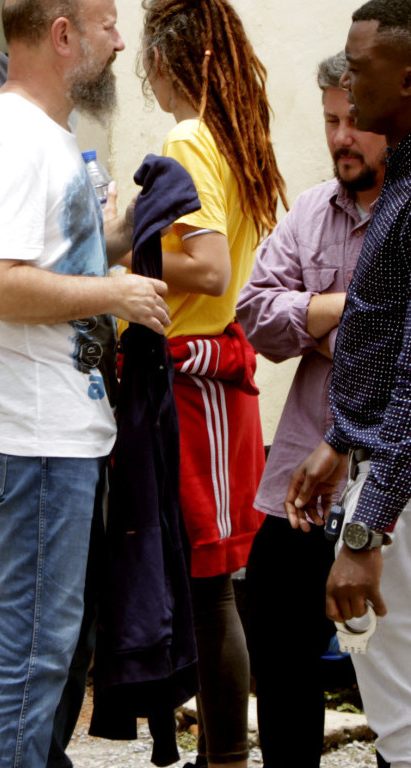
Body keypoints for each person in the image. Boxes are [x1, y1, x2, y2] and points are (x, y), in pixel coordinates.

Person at [0, 1, 169, 766]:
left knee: (51, 656)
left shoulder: (41, 136)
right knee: (30, 657)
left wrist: (124, 233)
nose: (121, 40)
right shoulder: (13, 143)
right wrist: (114, 292)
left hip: (50, 426)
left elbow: (48, 261)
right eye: (107, 23)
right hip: (35, 431)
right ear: (63, 35)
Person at [139, 2, 288, 765]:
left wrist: (115, 249)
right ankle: (216, 755)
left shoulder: (188, 140)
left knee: (208, 587)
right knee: (209, 583)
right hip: (208, 375)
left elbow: (207, 269)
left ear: (171, 59)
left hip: (192, 377)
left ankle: (225, 757)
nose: (143, 69)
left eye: (147, 54)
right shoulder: (231, 138)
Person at [236, 51, 386, 768]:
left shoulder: (403, 216)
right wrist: (345, 309)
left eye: (355, 121)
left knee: (394, 664)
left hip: (389, 478)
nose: (340, 138)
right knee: (278, 642)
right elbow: (255, 318)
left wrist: (322, 323)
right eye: (330, 121)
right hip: (302, 476)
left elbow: (397, 347)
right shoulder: (309, 212)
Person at [287, 3, 411, 766]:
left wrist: (368, 532)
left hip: (398, 492)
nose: (349, 82)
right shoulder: (404, 176)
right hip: (377, 468)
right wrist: (339, 439)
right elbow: (386, 329)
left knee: (403, 723)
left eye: (360, 68)